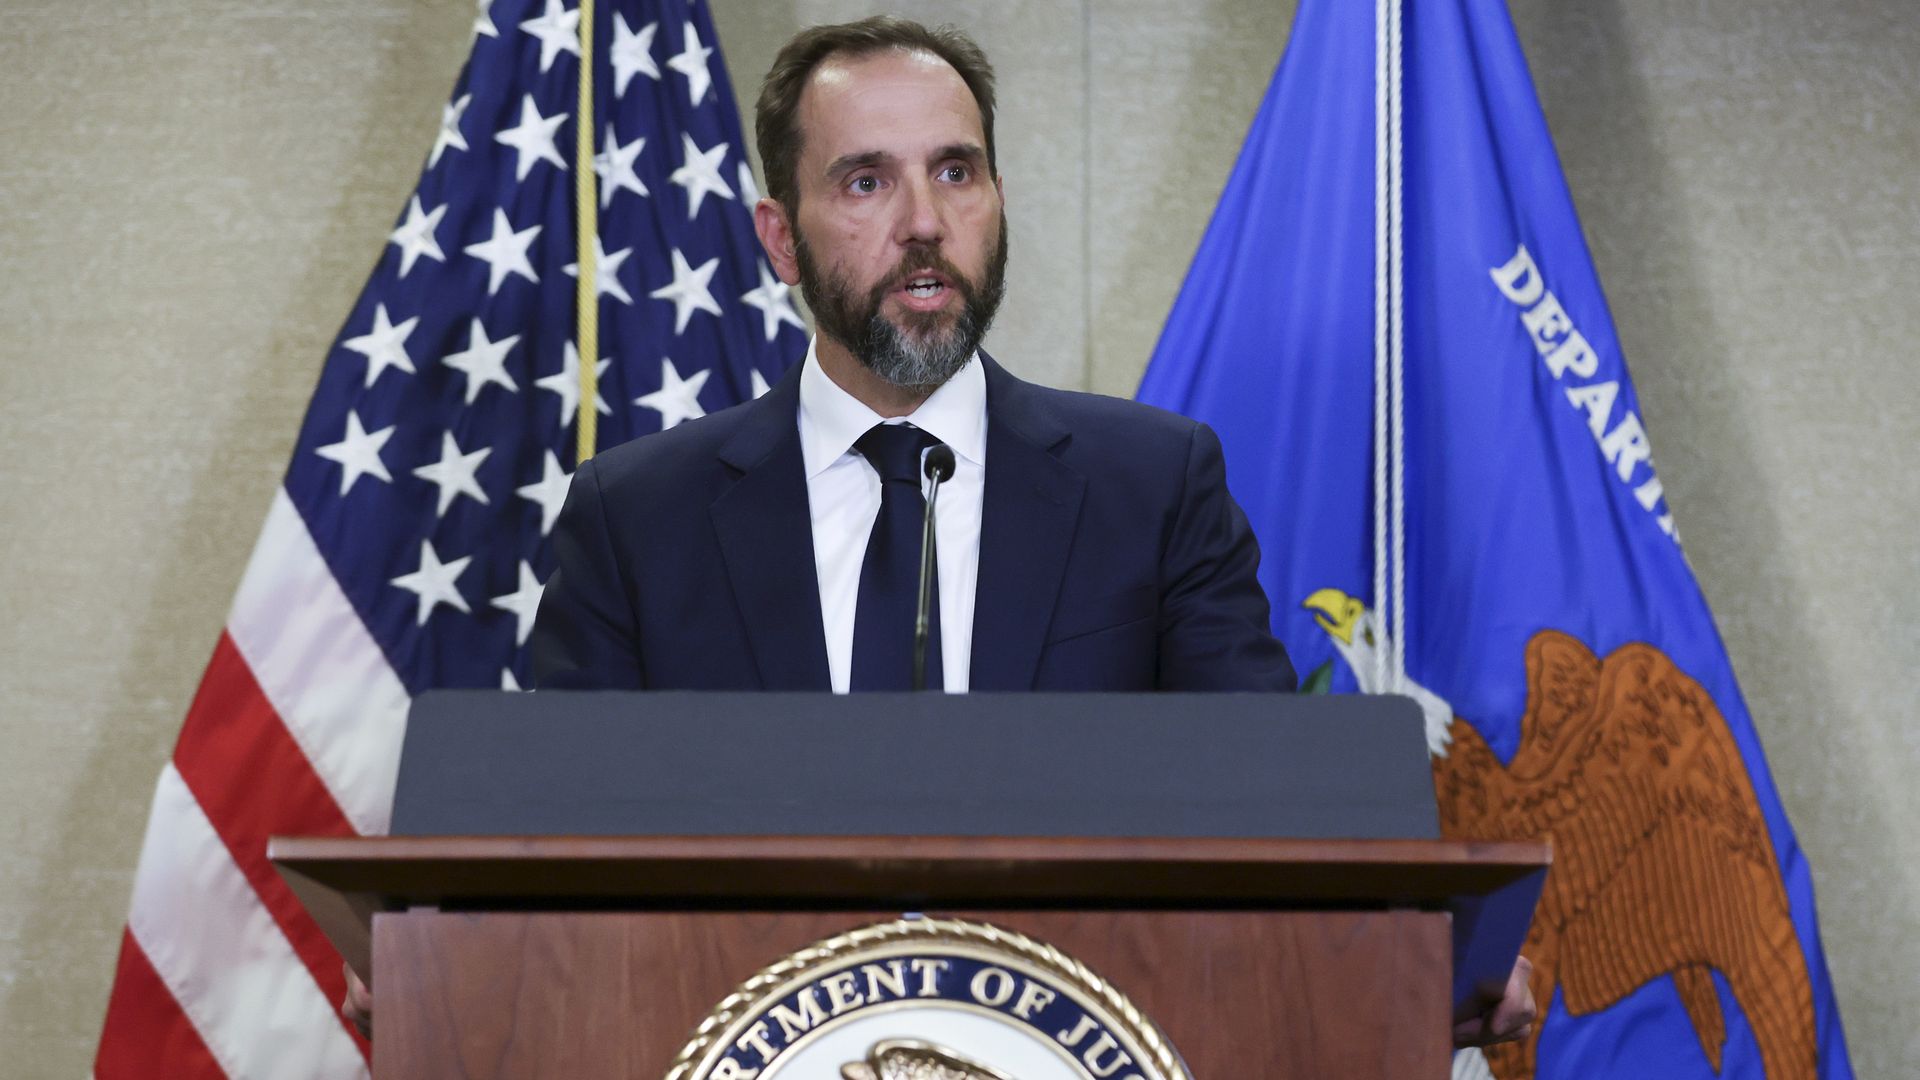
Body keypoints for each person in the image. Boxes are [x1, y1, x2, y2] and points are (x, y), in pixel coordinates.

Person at [347, 15, 1535, 1048]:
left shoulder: (1154, 484)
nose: (924, 222)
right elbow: (559, 866)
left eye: (957, 172)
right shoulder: (636, 517)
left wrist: (1416, 967)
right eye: (866, 180)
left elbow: (1291, 829)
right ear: (779, 237)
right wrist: (446, 969)